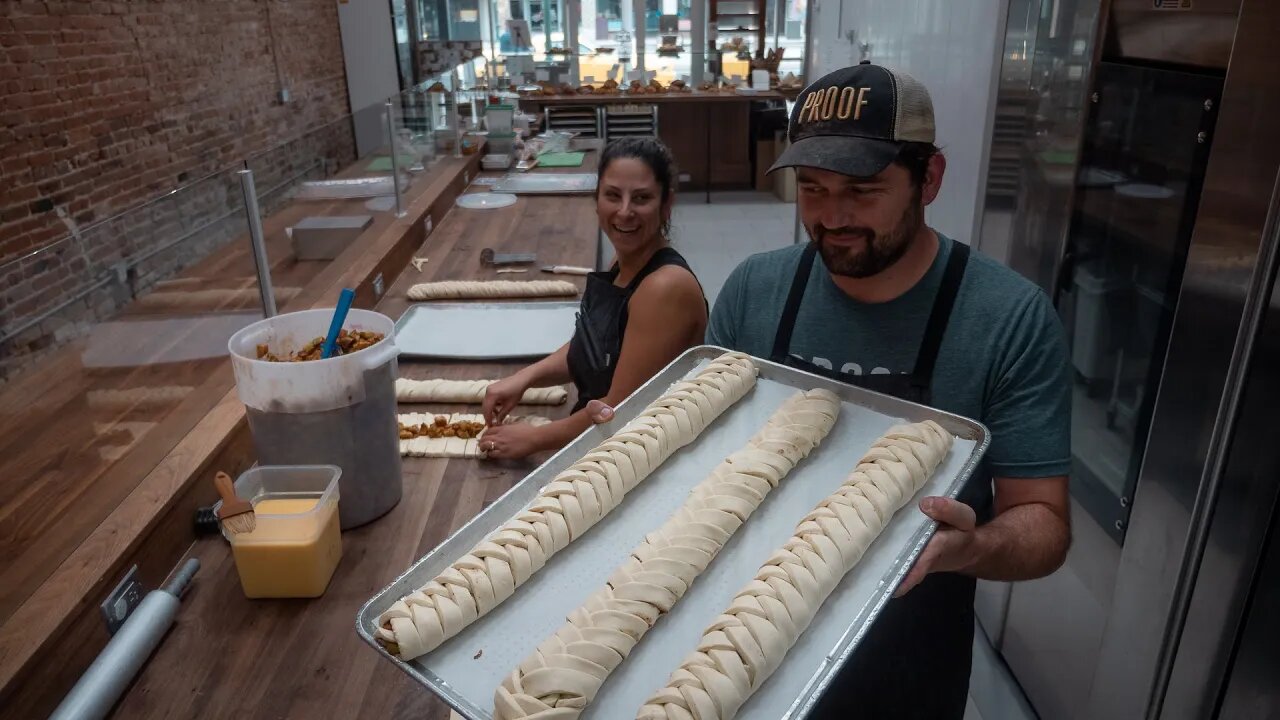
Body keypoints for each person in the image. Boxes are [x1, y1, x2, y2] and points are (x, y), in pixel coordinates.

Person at [587, 63, 1073, 718]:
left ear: (928, 179)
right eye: (811, 188)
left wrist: (974, 546)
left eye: (862, 190)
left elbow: (1045, 524)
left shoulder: (1006, 319)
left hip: (904, 658)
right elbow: (706, 463)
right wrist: (636, 440)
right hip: (733, 645)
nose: (832, 216)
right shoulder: (755, 290)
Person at [480, 137, 707, 459]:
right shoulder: (624, 262)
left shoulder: (664, 288)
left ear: (666, 203)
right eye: (613, 196)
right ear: (596, 198)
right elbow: (595, 347)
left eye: (641, 198)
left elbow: (617, 410)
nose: (624, 212)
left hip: (637, 455)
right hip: (600, 439)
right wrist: (526, 377)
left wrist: (535, 439)